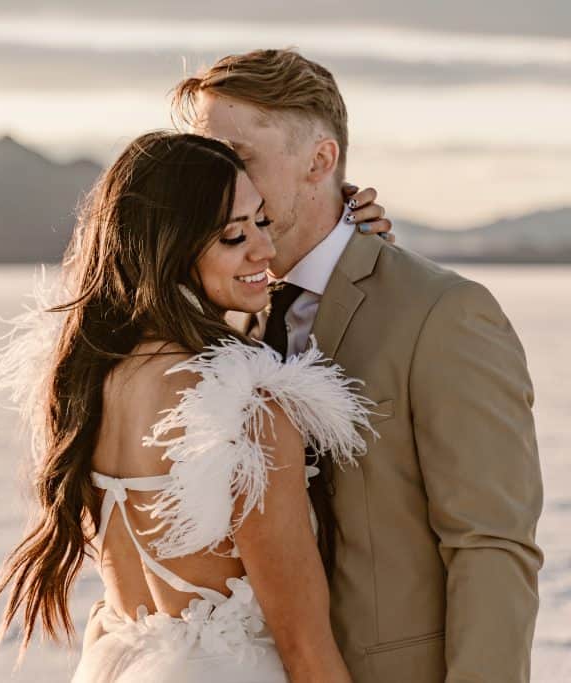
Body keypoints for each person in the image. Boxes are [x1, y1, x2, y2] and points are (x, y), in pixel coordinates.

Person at [137, 48, 541, 682]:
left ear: (320, 162)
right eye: (206, 160)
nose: (217, 184)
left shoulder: (444, 314)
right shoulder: (212, 321)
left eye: (237, 158)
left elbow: (491, 545)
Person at [0, 130, 389, 681]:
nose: (264, 250)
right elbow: (305, 648)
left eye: (261, 222)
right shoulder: (245, 409)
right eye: (233, 236)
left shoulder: (88, 382)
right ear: (169, 248)